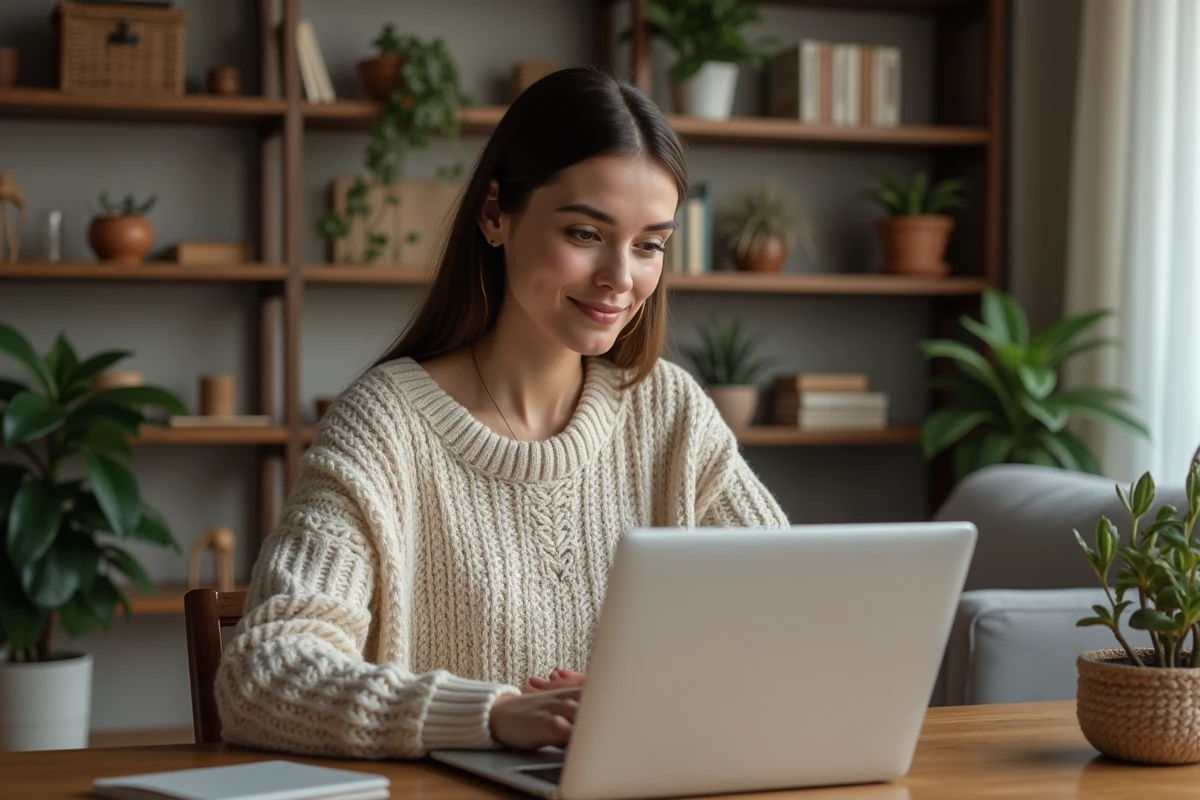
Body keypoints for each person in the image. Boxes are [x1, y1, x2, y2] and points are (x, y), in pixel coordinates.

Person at [214, 67, 787, 760]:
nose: (620, 277)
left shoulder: (670, 412)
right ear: (494, 215)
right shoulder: (384, 425)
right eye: (584, 233)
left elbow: (794, 623)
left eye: (650, 245)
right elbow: (260, 678)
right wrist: (493, 713)